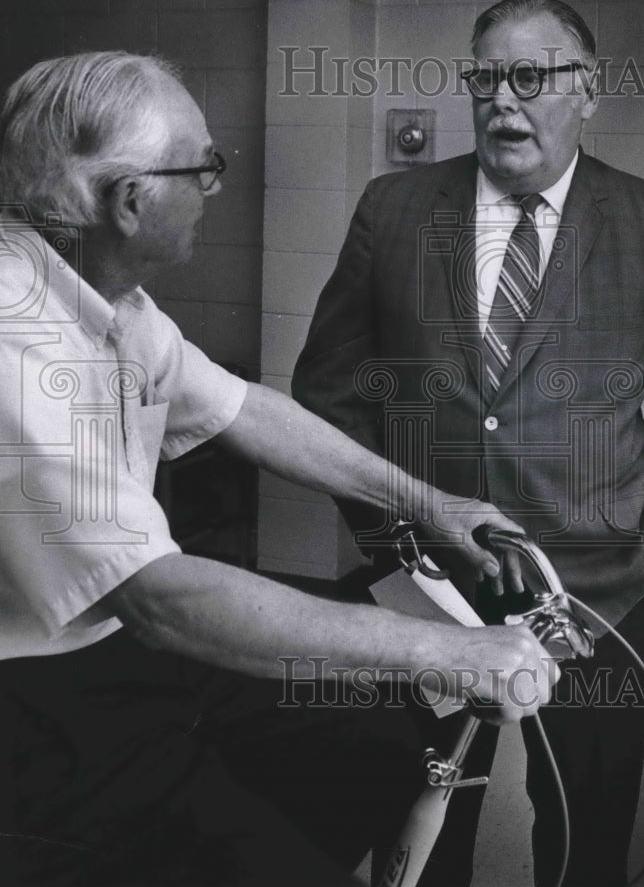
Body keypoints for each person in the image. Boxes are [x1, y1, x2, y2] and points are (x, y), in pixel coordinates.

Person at [0, 51, 558, 887]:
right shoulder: (18, 341)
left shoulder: (109, 299)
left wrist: (433, 503)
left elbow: (244, 410)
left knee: (371, 737)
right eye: (204, 168)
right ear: (129, 200)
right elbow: (160, 599)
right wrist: (439, 648)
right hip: (38, 699)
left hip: (116, 647)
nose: (214, 187)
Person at [292, 0, 644, 887]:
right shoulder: (395, 209)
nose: (503, 100)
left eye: (529, 77)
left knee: (583, 825)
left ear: (588, 89)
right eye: (484, 77)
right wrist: (393, 546)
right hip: (424, 586)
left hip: (599, 594)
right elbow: (327, 392)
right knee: (420, 812)